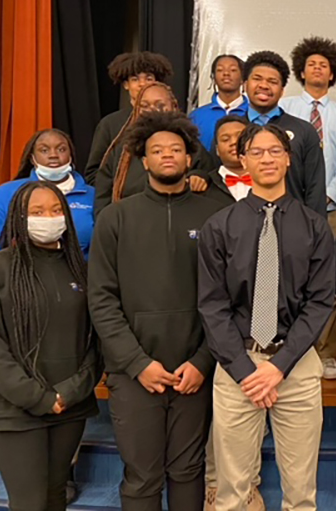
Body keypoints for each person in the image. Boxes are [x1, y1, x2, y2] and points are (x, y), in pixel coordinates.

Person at [88, 111, 222, 511]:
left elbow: (226, 298)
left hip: (194, 371)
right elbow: (102, 299)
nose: (167, 156)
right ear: (143, 161)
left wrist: (202, 361)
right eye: (157, 150)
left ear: (189, 158)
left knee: (187, 470)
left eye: (176, 149)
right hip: (133, 373)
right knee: (142, 475)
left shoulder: (214, 217)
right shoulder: (115, 218)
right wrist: (136, 363)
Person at [198, 123, 335, 511]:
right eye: (257, 152)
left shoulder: (315, 227)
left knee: (301, 493)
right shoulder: (220, 227)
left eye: (275, 151)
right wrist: (245, 370)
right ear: (243, 160)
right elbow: (212, 305)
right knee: (231, 493)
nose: (267, 159)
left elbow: (321, 302)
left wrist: (278, 367)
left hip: (295, 365)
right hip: (237, 365)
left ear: (288, 158)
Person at [0, 181, 101, 511]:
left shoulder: (81, 271)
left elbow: (96, 341)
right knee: (29, 503)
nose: (49, 217)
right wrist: (37, 397)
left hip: (70, 407)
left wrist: (71, 392)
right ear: (18, 218)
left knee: (57, 496)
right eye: (37, 212)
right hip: (16, 410)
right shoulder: (1, 267)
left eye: (56, 210)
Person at [281, 36, 336, 380]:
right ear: (301, 70)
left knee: (327, 280)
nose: (318, 68)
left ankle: (326, 352)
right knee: (289, 276)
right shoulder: (287, 108)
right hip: (289, 204)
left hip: (332, 209)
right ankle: (292, 347)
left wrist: (327, 194)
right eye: (311, 64)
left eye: (324, 64)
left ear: (332, 72)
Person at [94, 81, 213, 216]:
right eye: (145, 106)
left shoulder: (190, 144)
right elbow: (103, 194)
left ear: (173, 107)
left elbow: (210, 173)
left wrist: (200, 176)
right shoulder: (122, 150)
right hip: (130, 224)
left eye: (160, 105)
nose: (152, 110)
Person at [241, 50, 327, 217]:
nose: (264, 85)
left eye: (272, 81)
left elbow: (315, 188)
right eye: (257, 79)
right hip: (240, 226)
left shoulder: (304, 130)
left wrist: (314, 230)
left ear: (282, 91)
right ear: (245, 85)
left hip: (293, 223)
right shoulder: (231, 130)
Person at [0, 129, 95, 258]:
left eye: (61, 149)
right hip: (21, 272)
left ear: (71, 156)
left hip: (80, 273)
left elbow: (101, 247)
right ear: (32, 158)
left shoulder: (93, 195)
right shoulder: (6, 193)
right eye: (44, 150)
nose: (53, 155)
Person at [85, 51, 174, 183]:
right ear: (126, 85)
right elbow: (93, 173)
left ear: (157, 83)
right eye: (135, 79)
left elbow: (199, 164)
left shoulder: (173, 121)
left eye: (148, 78)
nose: (142, 84)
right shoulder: (110, 124)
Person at [190, 54, 249, 152]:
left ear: (242, 78)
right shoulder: (196, 116)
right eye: (220, 70)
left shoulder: (253, 113)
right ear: (213, 77)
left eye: (233, 70)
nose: (226, 73)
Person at [204, 114, 251, 206]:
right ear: (217, 150)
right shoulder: (205, 185)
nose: (233, 142)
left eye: (240, 137)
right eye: (225, 139)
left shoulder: (270, 179)